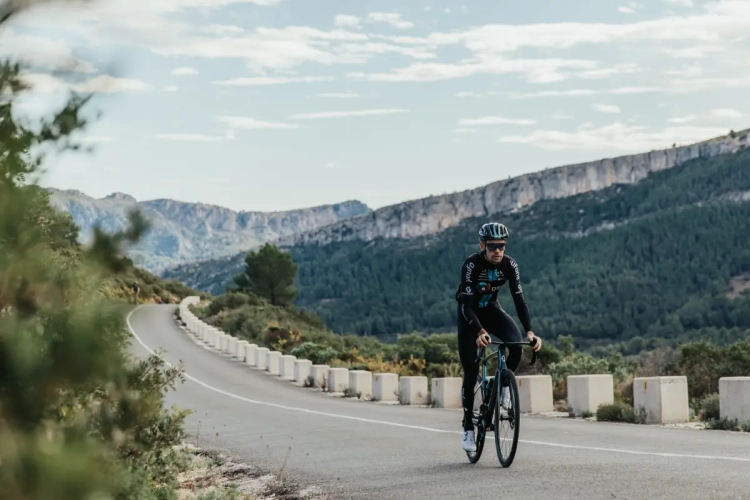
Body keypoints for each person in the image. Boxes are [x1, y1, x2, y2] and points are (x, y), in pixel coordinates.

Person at [455, 222, 542, 453]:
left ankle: (502, 386)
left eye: (501, 245)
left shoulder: (509, 265)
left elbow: (519, 300)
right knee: (471, 372)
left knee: (516, 346)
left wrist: (531, 332)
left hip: (492, 310)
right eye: (492, 246)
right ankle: (467, 428)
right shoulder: (471, 265)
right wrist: (479, 331)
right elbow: (466, 306)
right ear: (482, 245)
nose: (497, 250)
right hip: (469, 316)